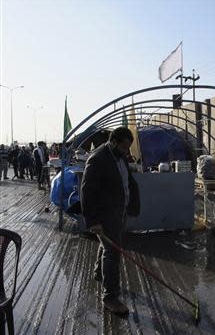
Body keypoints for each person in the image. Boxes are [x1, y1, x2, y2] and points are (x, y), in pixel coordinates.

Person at [81, 127, 140, 315]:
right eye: (123, 147)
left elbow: (126, 179)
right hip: (105, 215)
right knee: (113, 253)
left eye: (128, 148)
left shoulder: (119, 155)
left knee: (106, 245)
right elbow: (87, 191)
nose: (126, 151)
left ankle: (99, 274)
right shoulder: (98, 159)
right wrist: (93, 221)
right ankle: (110, 297)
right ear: (113, 142)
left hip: (118, 212)